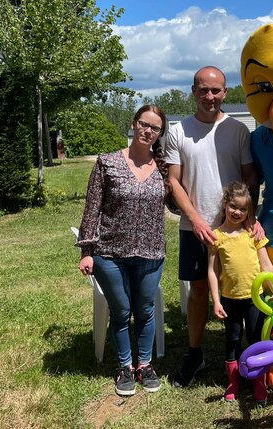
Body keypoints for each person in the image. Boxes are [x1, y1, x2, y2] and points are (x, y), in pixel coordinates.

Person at [165, 66, 261, 388]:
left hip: (235, 229)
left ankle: (249, 355)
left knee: (245, 289)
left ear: (225, 92)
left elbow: (250, 177)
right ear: (193, 92)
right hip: (196, 227)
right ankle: (195, 354)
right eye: (203, 90)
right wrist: (194, 219)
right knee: (199, 290)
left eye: (216, 90)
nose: (210, 97)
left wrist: (249, 217)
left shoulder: (238, 130)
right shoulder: (179, 131)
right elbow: (174, 182)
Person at [77, 105, 170, 396]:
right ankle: (125, 367)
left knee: (145, 310)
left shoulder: (164, 168)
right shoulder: (108, 163)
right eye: (144, 124)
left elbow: (177, 204)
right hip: (110, 253)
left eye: (154, 128)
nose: (147, 131)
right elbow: (92, 208)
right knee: (121, 311)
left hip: (151, 253)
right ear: (134, 124)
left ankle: (145, 364)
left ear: (159, 134)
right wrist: (87, 251)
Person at [208, 181, 273, 402]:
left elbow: (266, 265)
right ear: (225, 205)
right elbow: (212, 270)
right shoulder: (217, 237)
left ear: (249, 210)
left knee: (256, 339)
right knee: (233, 339)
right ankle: (233, 382)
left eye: (243, 208)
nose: (238, 212)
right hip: (229, 299)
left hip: (256, 299)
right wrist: (216, 300)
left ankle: (259, 383)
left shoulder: (253, 234)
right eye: (233, 206)